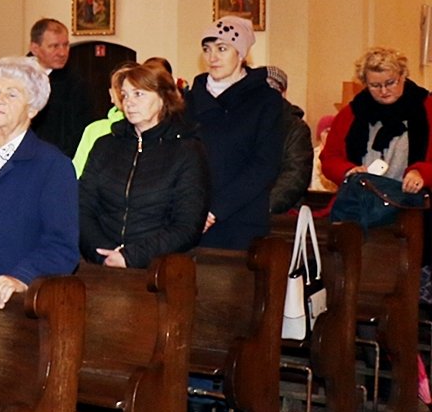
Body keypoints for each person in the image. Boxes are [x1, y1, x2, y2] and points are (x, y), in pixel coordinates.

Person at [0, 57, 78, 309]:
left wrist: (20, 277)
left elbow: (61, 246)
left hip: (9, 301)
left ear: (32, 109)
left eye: (11, 95)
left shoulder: (52, 166)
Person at [79, 61, 211, 268]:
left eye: (138, 94)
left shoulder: (187, 151)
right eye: (125, 95)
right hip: (102, 262)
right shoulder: (105, 146)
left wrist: (130, 257)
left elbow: (187, 226)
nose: (129, 102)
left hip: (158, 268)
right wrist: (103, 253)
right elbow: (82, 206)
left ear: (163, 98)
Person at [185, 17, 286, 250]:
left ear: (240, 54)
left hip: (240, 220)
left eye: (222, 49)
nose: (212, 57)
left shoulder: (265, 101)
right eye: (207, 49)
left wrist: (215, 210)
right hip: (191, 217)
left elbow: (264, 165)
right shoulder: (189, 101)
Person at [319, 47, 432, 197]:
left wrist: (422, 173)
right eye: (375, 86)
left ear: (403, 76)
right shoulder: (351, 113)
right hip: (362, 201)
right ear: (365, 83)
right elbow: (330, 158)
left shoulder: (427, 109)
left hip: (415, 203)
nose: (383, 91)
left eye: (390, 83)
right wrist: (348, 171)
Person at [26, 19, 85, 157]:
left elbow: (80, 131)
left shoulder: (76, 84)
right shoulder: (15, 77)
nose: (62, 53)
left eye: (66, 45)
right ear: (35, 48)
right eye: (54, 46)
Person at [264, 65, 313, 214]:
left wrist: (264, 207)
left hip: (280, 213)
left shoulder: (296, 129)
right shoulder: (242, 124)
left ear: (283, 93)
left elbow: (295, 176)